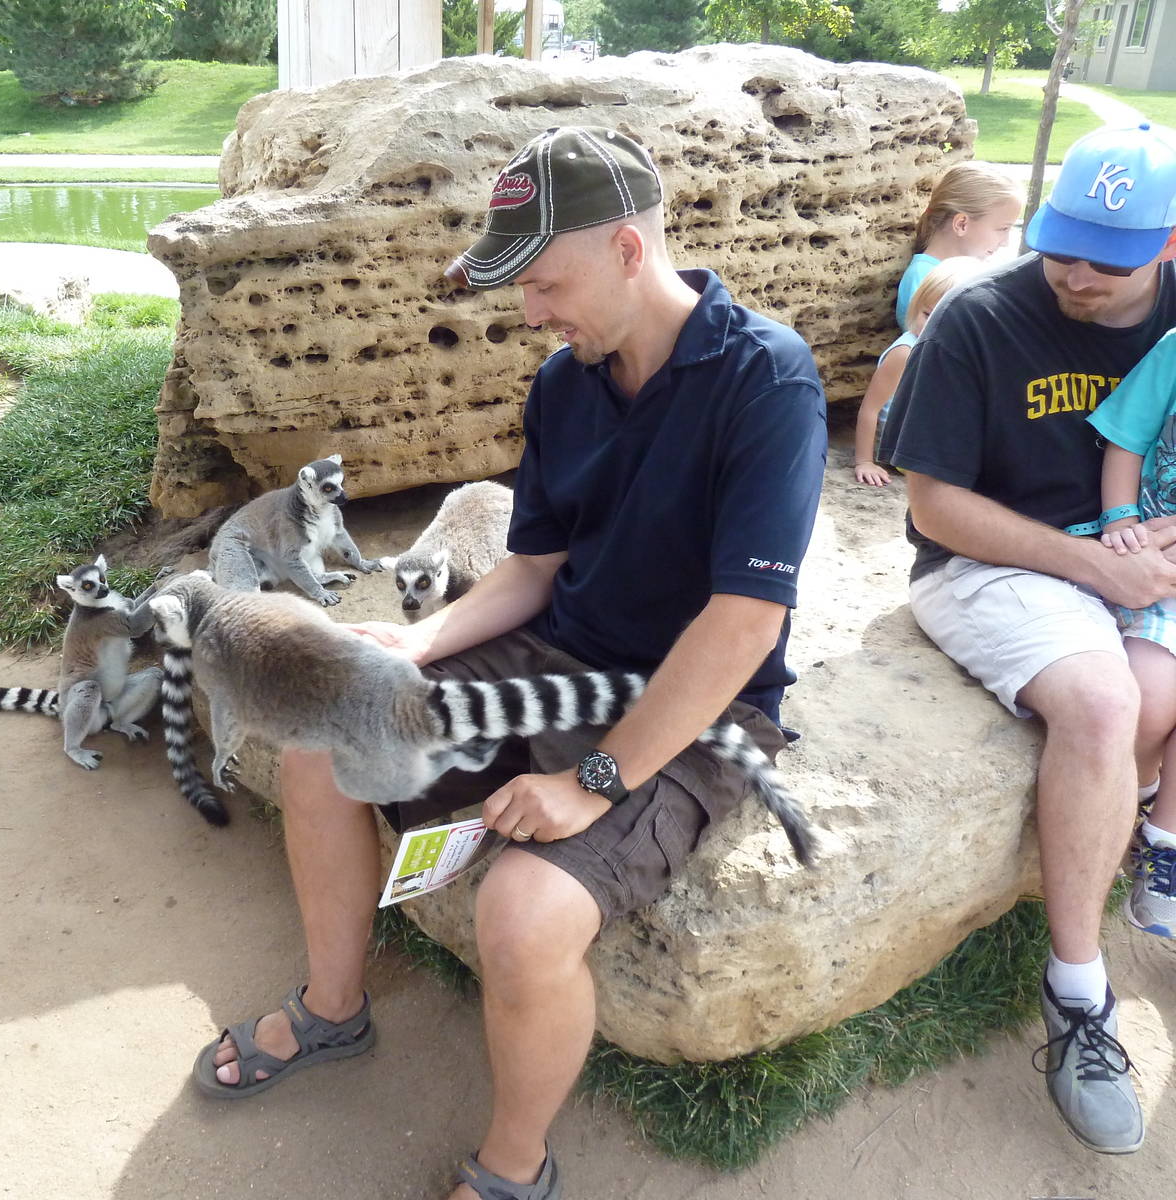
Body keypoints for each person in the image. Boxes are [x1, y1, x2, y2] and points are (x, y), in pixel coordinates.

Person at [190, 126, 828, 1200]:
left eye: (544, 282)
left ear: (628, 248)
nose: (530, 312)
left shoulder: (766, 378)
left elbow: (742, 626)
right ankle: (334, 1010)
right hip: (550, 651)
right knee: (323, 749)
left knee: (523, 916)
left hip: (694, 702)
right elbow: (534, 565)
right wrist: (419, 641)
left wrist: (595, 781)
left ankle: (512, 1169)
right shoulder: (566, 382)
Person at [879, 120, 1176, 1156]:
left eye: (1108, 261)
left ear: (1167, 244)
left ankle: (1151, 846)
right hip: (991, 560)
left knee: (1148, 694)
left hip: (1140, 548)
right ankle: (1078, 995)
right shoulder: (979, 315)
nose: (1076, 276)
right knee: (1103, 702)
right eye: (1060, 246)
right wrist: (1098, 567)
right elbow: (932, 506)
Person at [1087, 325, 1176, 936]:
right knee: (1150, 696)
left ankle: (1163, 841)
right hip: (1154, 563)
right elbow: (1127, 437)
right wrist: (1120, 521)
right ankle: (1140, 788)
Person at [855, 256, 985, 486]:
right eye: (927, 314)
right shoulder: (905, 353)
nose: (932, 325)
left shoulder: (952, 350)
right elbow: (870, 408)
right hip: (907, 447)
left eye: (946, 319)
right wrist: (864, 461)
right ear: (916, 306)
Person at [896, 161, 1022, 329]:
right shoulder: (923, 278)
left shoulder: (980, 269)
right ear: (962, 224)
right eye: (1003, 229)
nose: (1006, 242)